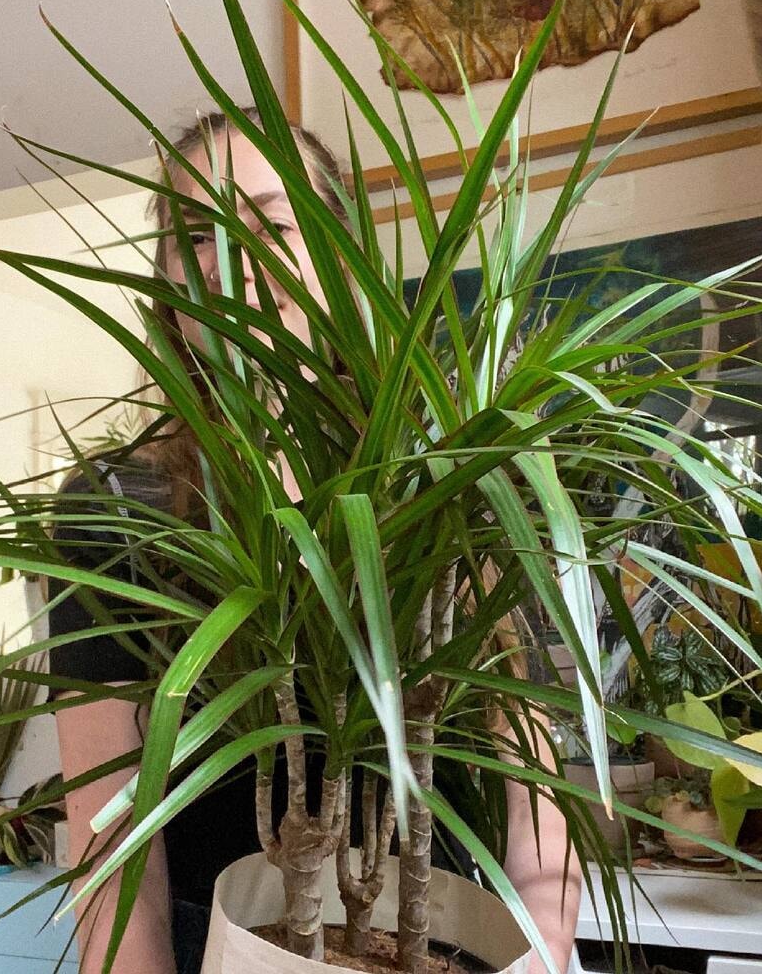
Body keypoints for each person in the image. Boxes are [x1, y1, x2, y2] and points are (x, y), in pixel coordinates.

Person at [49, 109, 581, 974]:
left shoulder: (442, 471)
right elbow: (110, 838)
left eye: (271, 222)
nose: (230, 259)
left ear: (338, 261)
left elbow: (531, 772)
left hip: (432, 934)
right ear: (167, 281)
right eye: (195, 234)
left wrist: (546, 953)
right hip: (220, 945)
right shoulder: (117, 505)